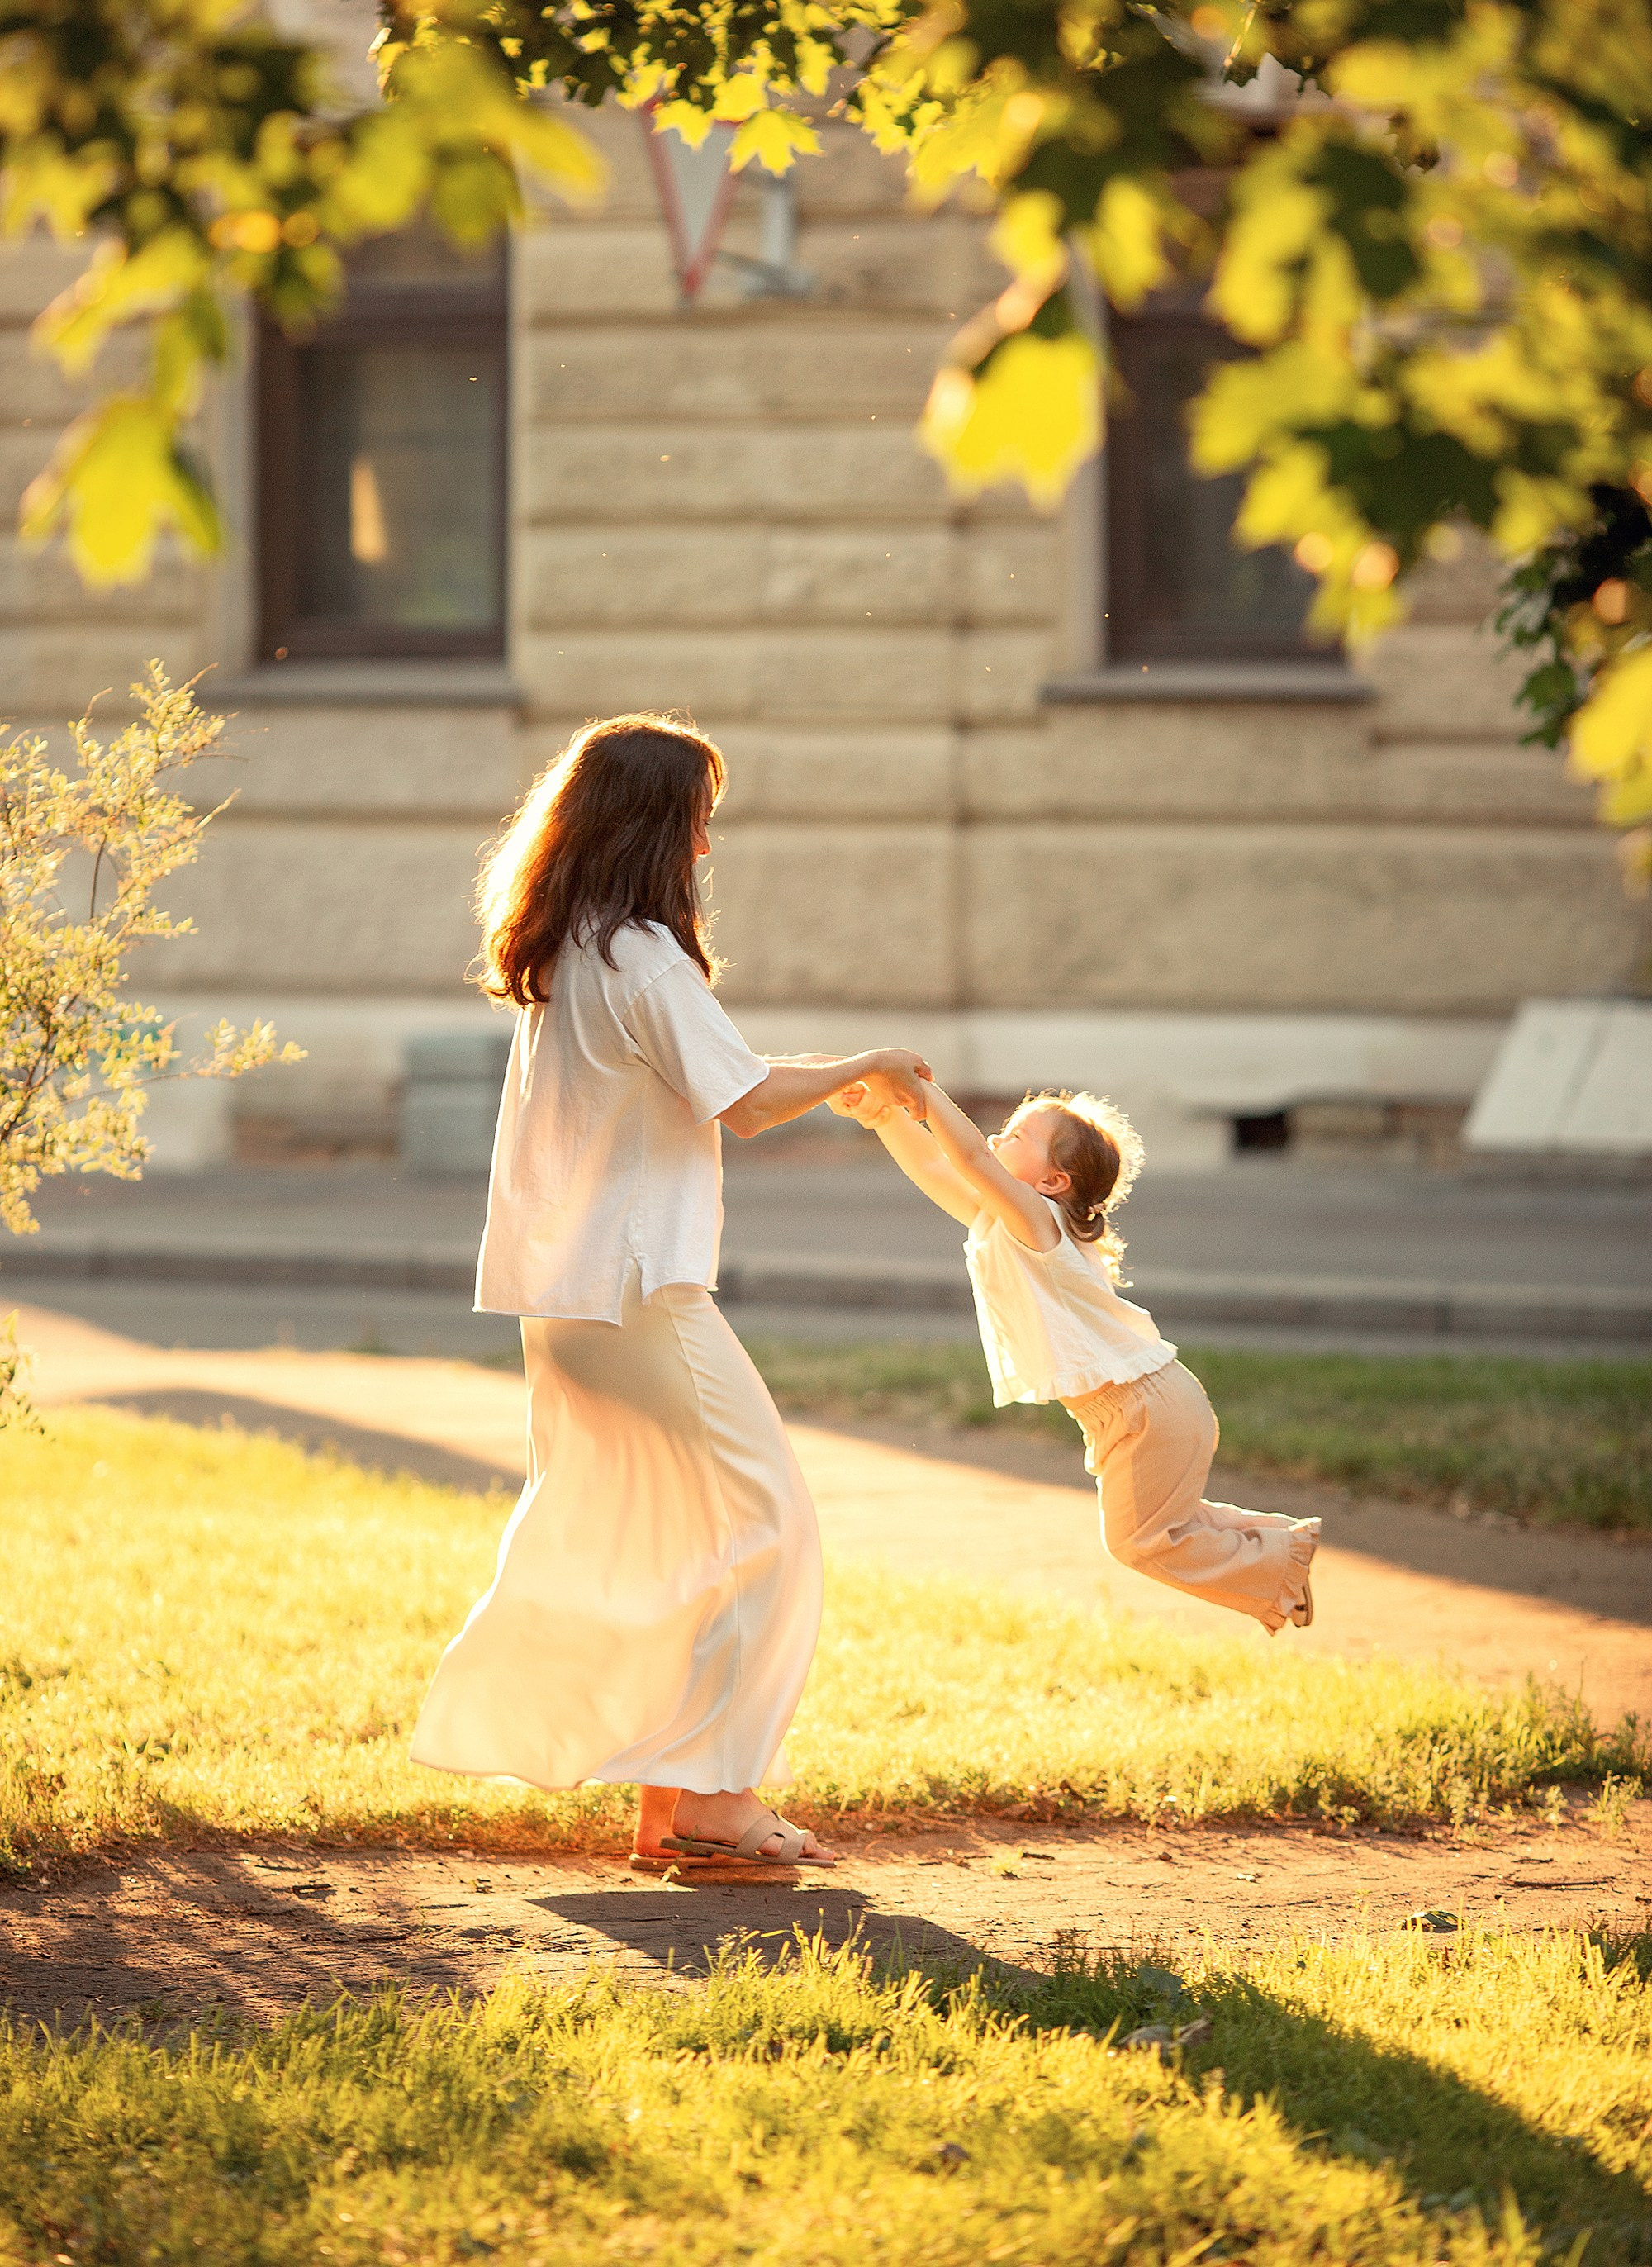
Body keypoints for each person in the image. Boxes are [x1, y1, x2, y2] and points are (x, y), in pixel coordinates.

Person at [410, 713, 932, 1870]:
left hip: (574, 1305)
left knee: (666, 1541)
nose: (706, 848)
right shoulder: (640, 955)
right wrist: (867, 1066)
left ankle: (674, 1807)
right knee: (771, 1527)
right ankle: (715, 1800)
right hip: (642, 1296)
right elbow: (741, 1097)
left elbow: (722, 1081)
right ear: (657, 827)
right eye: (699, 822)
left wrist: (840, 1073)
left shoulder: (571, 950)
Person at [831, 1075, 1318, 1634]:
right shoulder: (1006, 1222)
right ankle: (1283, 1550)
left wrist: (922, 1097)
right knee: (1159, 1525)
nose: (996, 1138)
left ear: (1052, 1180)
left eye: (1015, 1135)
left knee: (1138, 1542)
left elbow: (964, 1156)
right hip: (1132, 1410)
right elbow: (935, 1168)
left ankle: (1280, 1566)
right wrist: (884, 1116)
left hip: (1147, 1407)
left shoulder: (1041, 1221)